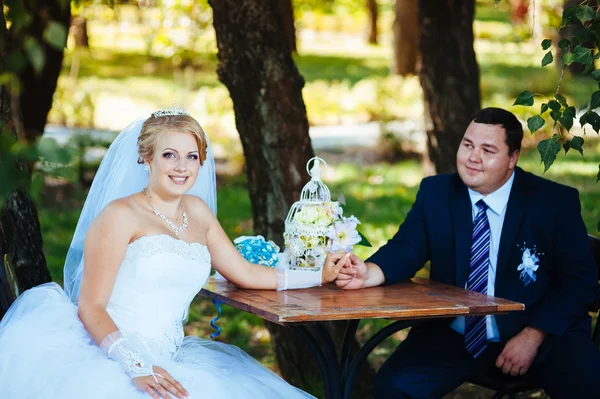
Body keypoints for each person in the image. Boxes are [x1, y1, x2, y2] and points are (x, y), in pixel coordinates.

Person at [0, 106, 348, 399]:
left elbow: (245, 273)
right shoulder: (120, 216)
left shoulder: (197, 212)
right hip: (111, 353)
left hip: (172, 355)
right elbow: (91, 306)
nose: (182, 167)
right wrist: (135, 366)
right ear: (146, 158)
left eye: (191, 157)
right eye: (170, 155)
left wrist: (320, 275)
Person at [336, 107, 600, 398]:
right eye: (468, 145)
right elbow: (405, 248)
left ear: (512, 158)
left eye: (488, 150)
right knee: (394, 386)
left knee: (590, 384)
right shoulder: (436, 193)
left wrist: (532, 336)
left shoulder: (553, 203)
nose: (473, 157)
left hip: (541, 330)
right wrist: (369, 272)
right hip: (456, 333)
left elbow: (579, 282)